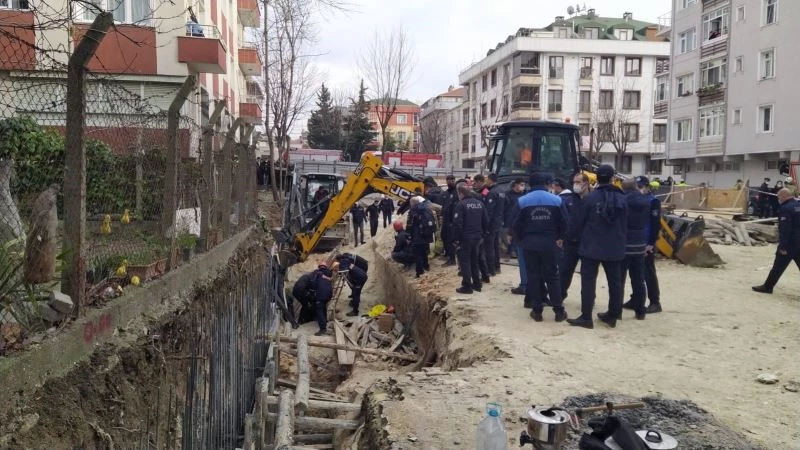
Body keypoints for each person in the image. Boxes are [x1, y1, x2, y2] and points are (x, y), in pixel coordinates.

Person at [566, 164, 627, 329]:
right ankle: (613, 315)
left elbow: (578, 223)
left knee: (588, 281)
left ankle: (586, 317)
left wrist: (572, 238)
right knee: (615, 282)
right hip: (615, 246)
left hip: (591, 245)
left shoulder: (590, 199)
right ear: (613, 177)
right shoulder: (622, 197)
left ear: (597, 178)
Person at [511, 172, 568, 322]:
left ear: (530, 184)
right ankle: (559, 311)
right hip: (550, 244)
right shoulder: (557, 200)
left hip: (529, 244)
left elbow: (515, 224)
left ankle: (537, 311)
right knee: (552, 276)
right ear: (546, 184)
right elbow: (565, 221)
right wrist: (560, 238)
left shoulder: (522, 201)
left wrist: (520, 240)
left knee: (533, 276)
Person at [624, 176, 663, 314]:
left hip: (646, 243)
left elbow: (655, 224)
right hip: (636, 242)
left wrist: (651, 243)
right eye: (637, 187)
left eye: (641, 187)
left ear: (647, 187)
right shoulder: (635, 200)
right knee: (635, 274)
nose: (639, 190)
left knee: (648, 273)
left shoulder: (652, 202)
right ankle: (636, 299)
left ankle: (655, 302)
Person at [752, 188, 800, 294]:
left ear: (783, 196)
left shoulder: (786, 208)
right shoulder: (798, 205)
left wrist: (783, 246)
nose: (778, 199)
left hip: (790, 243)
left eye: (778, 197)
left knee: (778, 266)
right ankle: (767, 286)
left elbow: (785, 229)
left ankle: (767, 287)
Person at [619, 179, 649, 321]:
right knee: (638, 279)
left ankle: (616, 310)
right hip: (640, 242)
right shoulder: (645, 201)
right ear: (636, 187)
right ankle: (640, 310)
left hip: (624, 243)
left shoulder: (622, 201)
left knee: (619, 279)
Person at [453, 184, 489, 294]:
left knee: (465, 262)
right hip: (477, 237)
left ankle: (467, 286)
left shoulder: (461, 205)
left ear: (461, 194)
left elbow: (458, 224)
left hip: (465, 237)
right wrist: (483, 234)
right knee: (474, 261)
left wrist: (456, 239)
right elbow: (486, 221)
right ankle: (477, 284)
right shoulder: (480, 204)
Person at [556, 174, 586, 301]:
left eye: (578, 182)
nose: (576, 184)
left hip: (587, 243)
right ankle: (560, 295)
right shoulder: (568, 199)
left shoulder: (591, 199)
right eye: (574, 182)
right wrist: (560, 236)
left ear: (586, 183)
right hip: (570, 242)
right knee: (565, 271)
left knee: (587, 275)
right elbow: (561, 220)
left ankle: (587, 299)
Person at [291, 263, 333, 336]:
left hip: (319, 294)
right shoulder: (327, 275)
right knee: (322, 306)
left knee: (318, 308)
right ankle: (324, 320)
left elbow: (314, 285)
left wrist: (312, 295)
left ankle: (322, 329)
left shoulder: (317, 274)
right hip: (329, 294)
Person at [472, 174, 494, 280]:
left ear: (480, 181)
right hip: (482, 221)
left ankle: (489, 270)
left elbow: (485, 206)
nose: (474, 184)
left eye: (476, 182)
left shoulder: (485, 191)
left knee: (486, 249)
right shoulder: (480, 191)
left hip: (484, 221)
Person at [408, 196, 436, 277]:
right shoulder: (427, 209)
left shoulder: (412, 211)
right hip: (426, 235)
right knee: (425, 252)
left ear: (412, 203)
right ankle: (426, 266)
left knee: (417, 254)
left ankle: (419, 271)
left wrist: (409, 236)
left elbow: (409, 225)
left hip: (417, 236)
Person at [483, 173, 505, 274]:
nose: (486, 181)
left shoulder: (492, 192)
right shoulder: (502, 191)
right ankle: (497, 267)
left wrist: (486, 225)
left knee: (489, 246)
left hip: (491, 223)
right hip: (498, 222)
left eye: (487, 179)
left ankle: (490, 269)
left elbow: (489, 211)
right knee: (495, 246)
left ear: (491, 180)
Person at [440, 175, 459, 266]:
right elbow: (444, 206)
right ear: (446, 181)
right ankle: (448, 254)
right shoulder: (446, 193)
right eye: (449, 180)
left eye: (453, 180)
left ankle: (452, 259)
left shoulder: (456, 193)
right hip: (445, 219)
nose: (451, 181)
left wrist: (454, 221)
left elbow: (457, 208)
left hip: (452, 221)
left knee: (450, 239)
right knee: (443, 236)